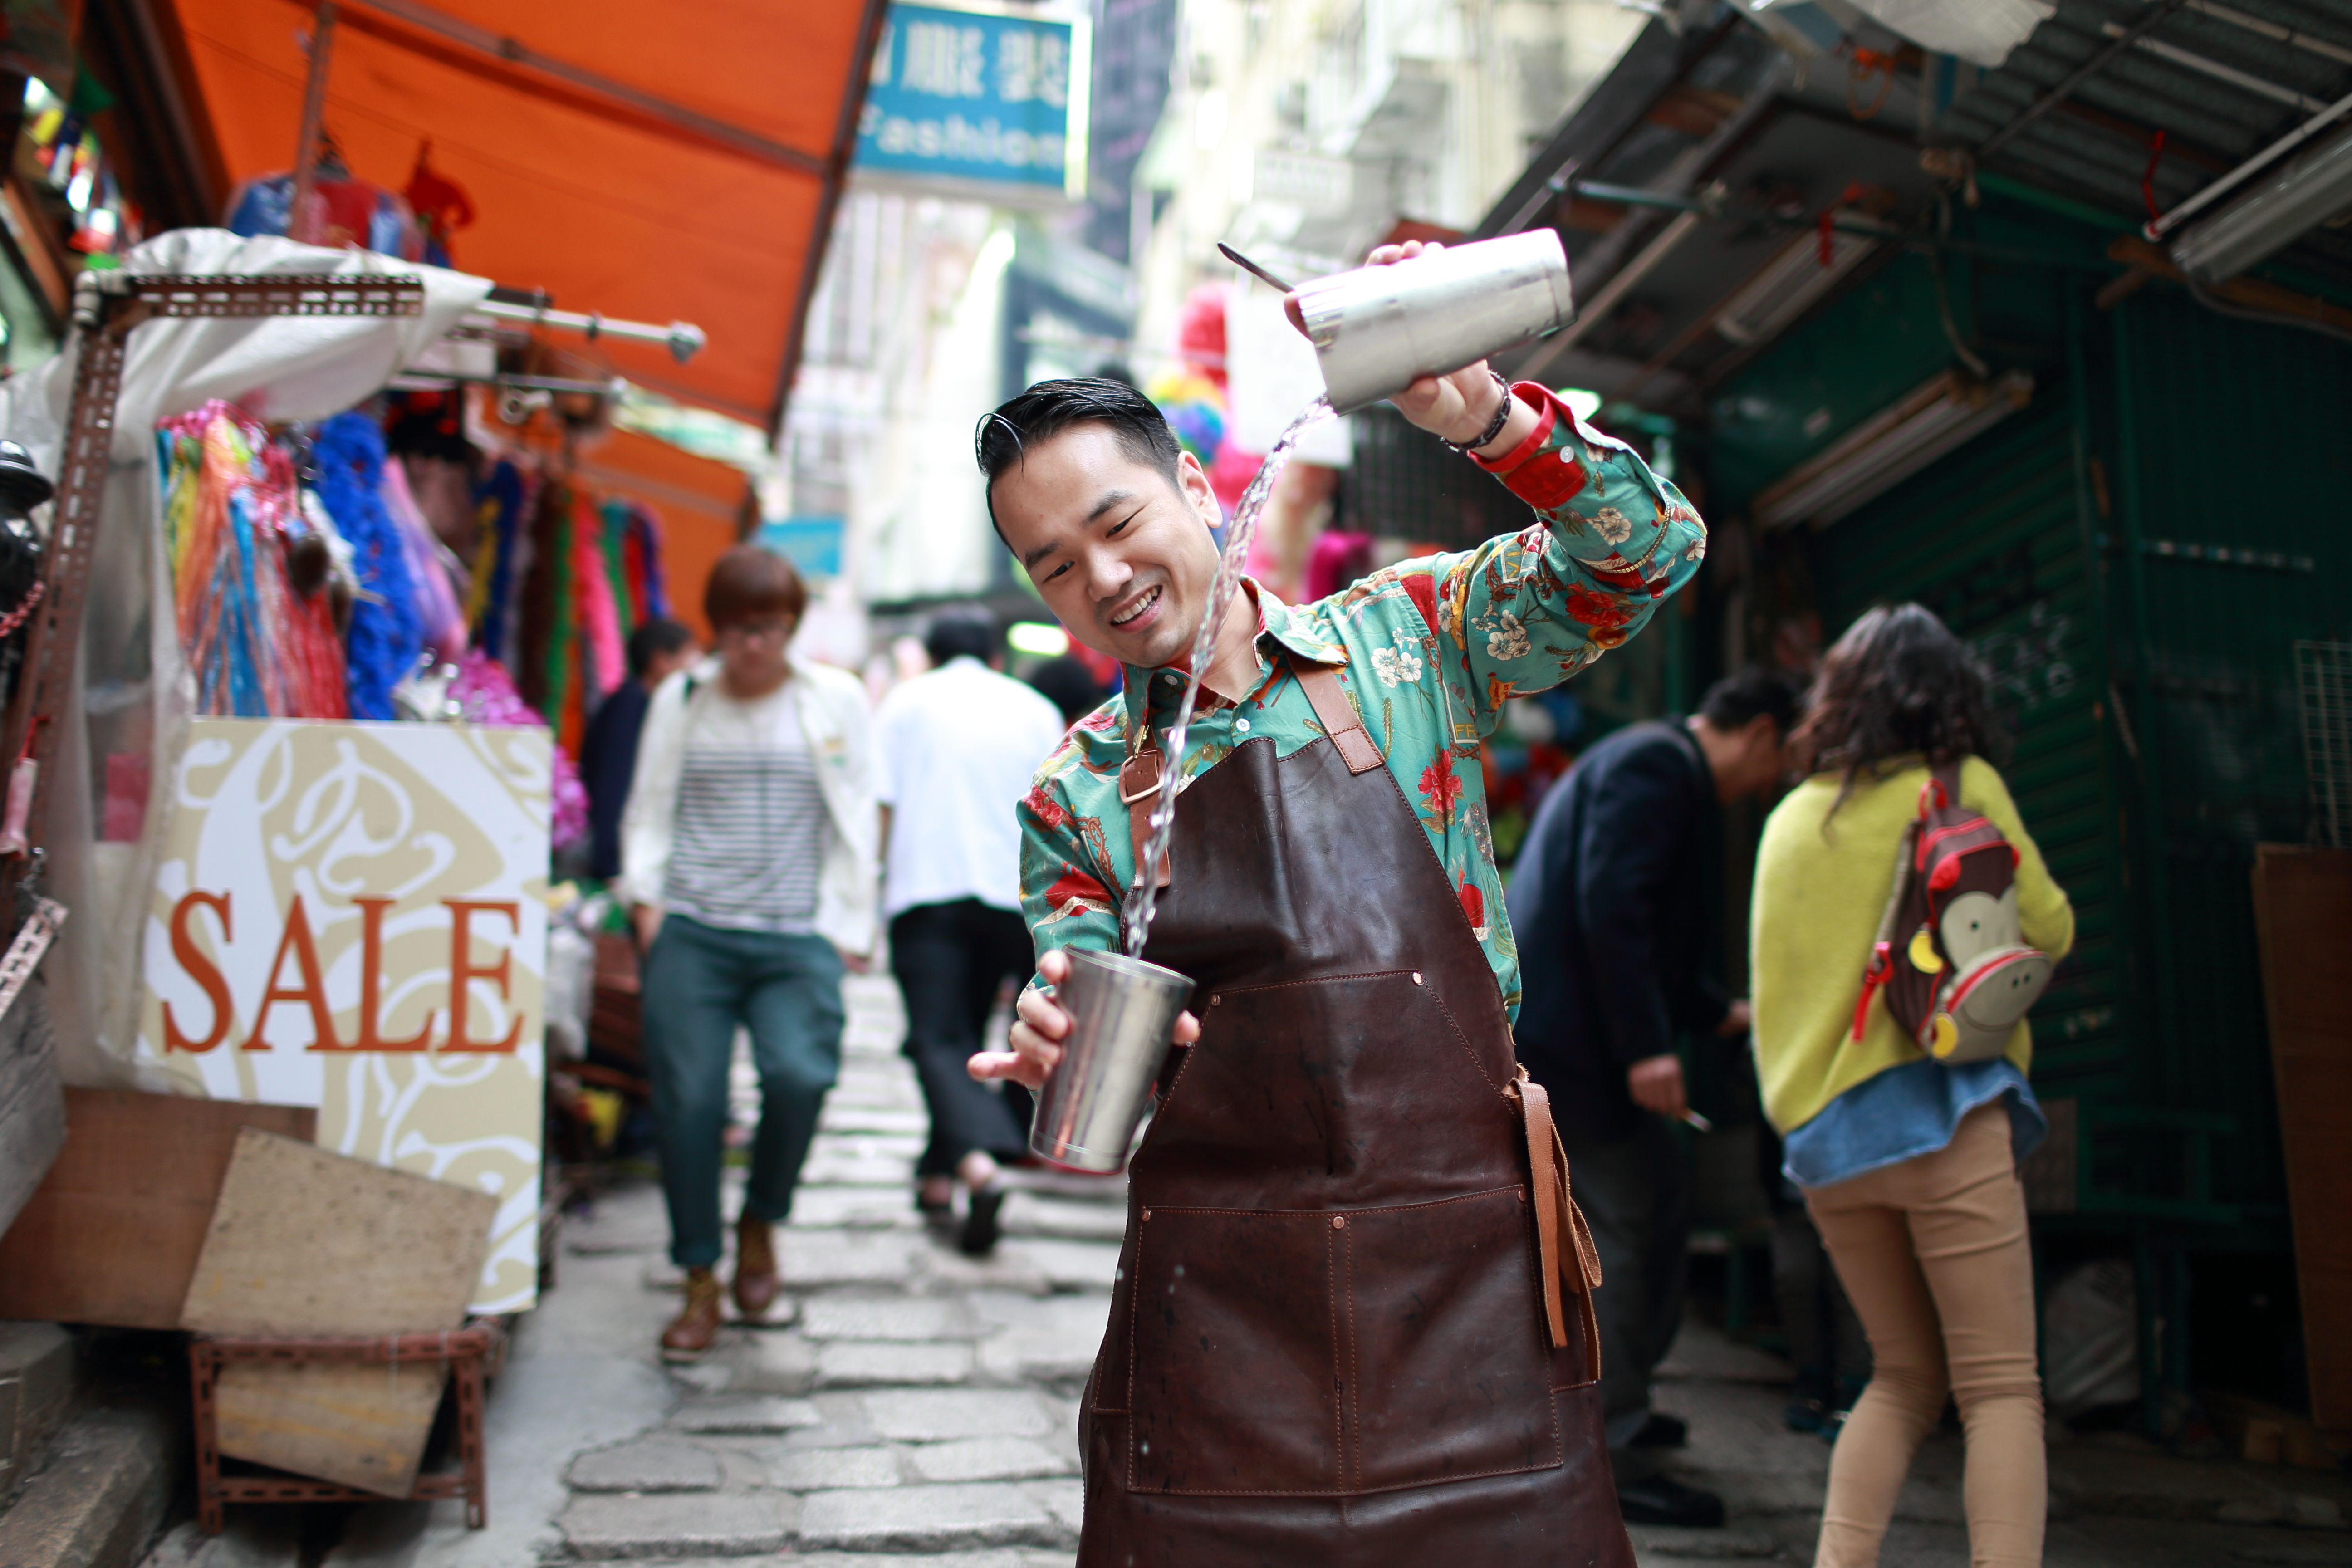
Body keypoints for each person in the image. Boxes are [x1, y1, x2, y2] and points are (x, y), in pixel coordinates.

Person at [973, 239, 1709, 1561]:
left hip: (1468, 1264)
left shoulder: (1410, 638)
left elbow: (1649, 552)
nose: (1101, 579)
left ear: (1198, 486)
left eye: (1116, 522)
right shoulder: (1076, 793)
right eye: (1054, 567)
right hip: (1225, 1306)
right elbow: (1081, 1043)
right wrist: (1050, 1045)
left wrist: (1476, 414)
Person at [1751, 603, 2072, 1568]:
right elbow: (2048, 929)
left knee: (1899, 1378)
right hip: (1943, 1119)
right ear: (1948, 694)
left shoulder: (1789, 817)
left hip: (1826, 1146)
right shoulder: (1957, 786)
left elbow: (1775, 990)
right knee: (2001, 1388)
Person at [1506, 668, 1800, 1529]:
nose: (1774, 781)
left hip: (1580, 1041)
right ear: (1759, 736)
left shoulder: (1651, 762)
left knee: (1659, 1205)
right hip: (1579, 1048)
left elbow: (1647, 935)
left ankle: (1621, 1405)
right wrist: (1646, 1048)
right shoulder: (1656, 768)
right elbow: (1612, 903)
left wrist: (1713, 1013)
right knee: (1628, 1227)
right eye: (1782, 758)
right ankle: (1609, 1447)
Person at [617, 547, 877, 1361]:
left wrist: (843, 929)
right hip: (692, 926)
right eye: (737, 629)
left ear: (791, 627)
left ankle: (760, 1218)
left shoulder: (833, 698)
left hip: (794, 932)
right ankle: (699, 1275)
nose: (753, 645)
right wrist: (647, 905)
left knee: (800, 1076)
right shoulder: (682, 698)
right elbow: (648, 805)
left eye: (767, 628)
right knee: (689, 1105)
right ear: (717, 629)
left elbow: (858, 812)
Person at [873, 606, 1069, 1254]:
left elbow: (883, 802)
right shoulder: (1034, 708)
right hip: (1011, 895)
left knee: (937, 1035)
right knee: (971, 1034)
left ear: (929, 652)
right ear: (994, 654)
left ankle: (979, 1165)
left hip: (926, 890)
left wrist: (872, 886)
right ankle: (936, 1175)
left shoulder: (907, 703)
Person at [580, 617, 696, 880]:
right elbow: (614, 784)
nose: (695, 667)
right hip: (614, 860)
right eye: (689, 656)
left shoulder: (646, 703)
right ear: (661, 661)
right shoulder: (630, 706)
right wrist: (610, 864)